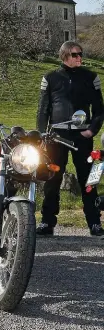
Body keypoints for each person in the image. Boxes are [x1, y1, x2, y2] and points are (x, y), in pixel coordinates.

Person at [37, 41, 103, 236]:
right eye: (75, 54)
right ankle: (47, 223)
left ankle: (94, 223)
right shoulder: (50, 78)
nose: (79, 57)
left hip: (82, 136)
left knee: (88, 180)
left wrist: (91, 130)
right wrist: (43, 135)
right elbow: (42, 111)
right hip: (56, 137)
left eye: (81, 54)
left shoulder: (91, 77)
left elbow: (99, 110)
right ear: (65, 56)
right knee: (52, 180)